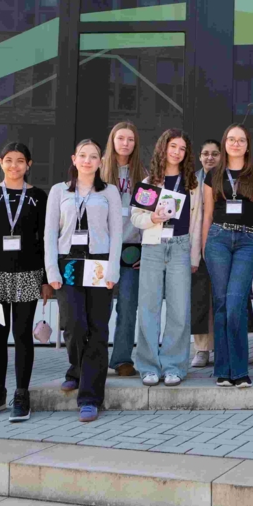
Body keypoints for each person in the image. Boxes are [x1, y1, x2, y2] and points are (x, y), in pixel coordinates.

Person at [0, 142, 52, 422]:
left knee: (23, 335)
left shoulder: (39, 197)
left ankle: (22, 394)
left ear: (29, 164)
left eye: (20, 161)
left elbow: (46, 241)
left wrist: (45, 280)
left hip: (28, 275)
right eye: (8, 160)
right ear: (0, 162)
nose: (14, 166)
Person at [45, 139, 123, 423]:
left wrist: (113, 270)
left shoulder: (110, 192)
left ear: (100, 162)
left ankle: (90, 397)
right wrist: (51, 270)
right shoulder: (59, 191)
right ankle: (75, 369)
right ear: (74, 159)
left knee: (97, 329)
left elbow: (116, 233)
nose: (87, 160)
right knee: (75, 324)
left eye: (93, 156)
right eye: (82, 156)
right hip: (68, 263)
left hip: (99, 262)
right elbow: (50, 233)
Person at [131, 129, 203, 387]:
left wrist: (194, 256)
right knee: (148, 308)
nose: (177, 152)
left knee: (179, 309)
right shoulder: (149, 181)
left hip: (181, 247)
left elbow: (197, 222)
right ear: (164, 148)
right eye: (173, 146)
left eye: (182, 148)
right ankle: (149, 366)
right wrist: (153, 218)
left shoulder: (193, 184)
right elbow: (135, 217)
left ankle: (174, 366)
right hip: (153, 246)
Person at [202, 124, 253, 387]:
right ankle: (223, 370)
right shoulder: (213, 175)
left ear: (247, 145)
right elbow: (208, 215)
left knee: (235, 303)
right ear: (224, 143)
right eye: (231, 139)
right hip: (218, 240)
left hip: (248, 240)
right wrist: (204, 247)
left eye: (241, 140)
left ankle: (240, 370)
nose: (236, 143)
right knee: (220, 303)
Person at [99, 122, 146, 378]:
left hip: (132, 249)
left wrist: (146, 251)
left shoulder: (143, 173)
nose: (125, 143)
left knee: (128, 306)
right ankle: (95, 357)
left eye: (130, 139)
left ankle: (122, 358)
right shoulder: (99, 169)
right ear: (112, 140)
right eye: (120, 138)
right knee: (100, 308)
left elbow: (149, 216)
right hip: (103, 249)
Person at [191, 139, 221, 367]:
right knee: (200, 298)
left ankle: (222, 346)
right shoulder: (190, 180)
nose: (209, 157)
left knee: (222, 297)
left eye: (214, 153)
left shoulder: (230, 178)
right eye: (205, 153)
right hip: (196, 244)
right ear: (200, 157)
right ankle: (201, 350)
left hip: (223, 243)